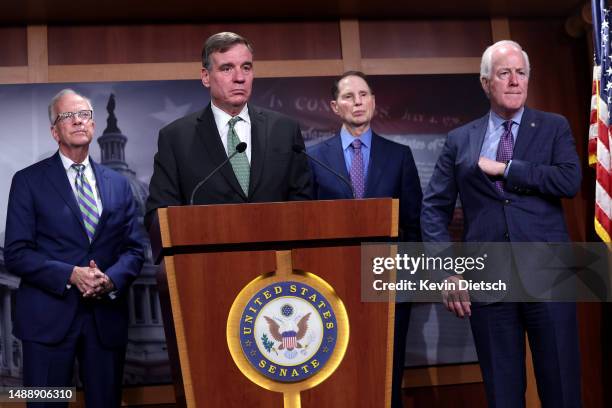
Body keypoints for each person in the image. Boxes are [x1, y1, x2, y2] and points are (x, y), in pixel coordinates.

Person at [421, 40, 582, 407]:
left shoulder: (553, 127)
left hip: (550, 279)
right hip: (490, 284)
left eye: (521, 73)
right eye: (504, 73)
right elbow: (433, 208)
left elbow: (569, 181)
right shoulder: (460, 139)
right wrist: (446, 271)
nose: (514, 81)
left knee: (562, 391)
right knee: (503, 396)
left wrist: (508, 169)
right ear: (485, 82)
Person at [4, 89, 144, 407]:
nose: (79, 120)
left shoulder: (119, 185)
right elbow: (16, 252)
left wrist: (110, 279)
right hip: (46, 323)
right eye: (68, 115)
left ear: (93, 127)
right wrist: (71, 274)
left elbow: (135, 250)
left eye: (84, 115)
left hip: (104, 322)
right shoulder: (28, 181)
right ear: (55, 131)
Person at [307, 71, 422, 408]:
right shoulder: (314, 157)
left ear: (373, 101)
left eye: (363, 95)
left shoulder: (399, 156)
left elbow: (413, 224)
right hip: (333, 285)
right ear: (334, 106)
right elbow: (307, 225)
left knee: (387, 376)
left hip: (390, 284)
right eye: (348, 96)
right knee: (341, 377)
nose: (357, 102)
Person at [145, 32, 312, 228]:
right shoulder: (176, 138)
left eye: (246, 68)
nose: (239, 78)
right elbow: (159, 214)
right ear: (206, 77)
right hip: (208, 255)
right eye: (227, 68)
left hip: (276, 254)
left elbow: (304, 204)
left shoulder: (284, 130)